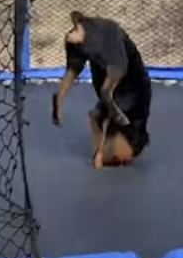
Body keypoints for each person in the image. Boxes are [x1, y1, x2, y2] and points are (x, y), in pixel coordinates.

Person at [52, 11, 152, 169]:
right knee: (97, 117)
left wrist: (100, 155)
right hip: (109, 83)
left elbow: (114, 81)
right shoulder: (82, 41)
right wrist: (60, 98)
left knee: (103, 120)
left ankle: (113, 151)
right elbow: (73, 69)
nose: (71, 33)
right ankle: (103, 151)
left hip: (132, 88)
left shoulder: (110, 39)